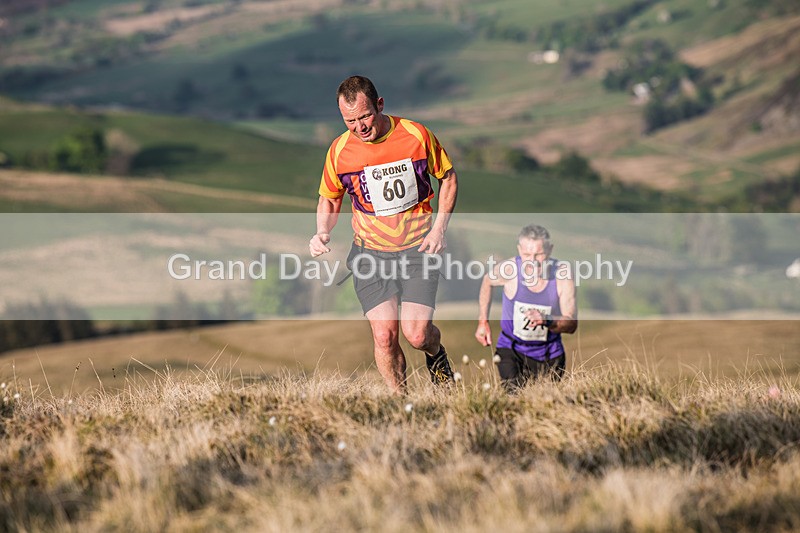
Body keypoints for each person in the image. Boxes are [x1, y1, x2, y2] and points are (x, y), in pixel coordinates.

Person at [309, 75, 458, 394]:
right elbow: (330, 197)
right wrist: (322, 231)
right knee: (384, 337)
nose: (359, 127)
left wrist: (439, 228)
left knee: (417, 335)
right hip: (370, 254)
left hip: (419, 250)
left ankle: (437, 356)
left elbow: (448, 177)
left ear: (380, 105)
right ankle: (399, 402)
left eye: (364, 116)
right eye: (350, 120)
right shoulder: (339, 151)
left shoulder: (415, 135)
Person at [475, 224, 577, 391]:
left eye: (539, 254)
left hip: (549, 354)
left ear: (550, 250)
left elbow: (571, 324)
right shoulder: (509, 270)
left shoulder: (562, 275)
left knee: (547, 406)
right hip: (511, 349)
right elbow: (487, 281)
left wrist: (547, 320)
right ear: (519, 250)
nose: (532, 261)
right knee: (513, 397)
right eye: (526, 255)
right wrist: (482, 321)